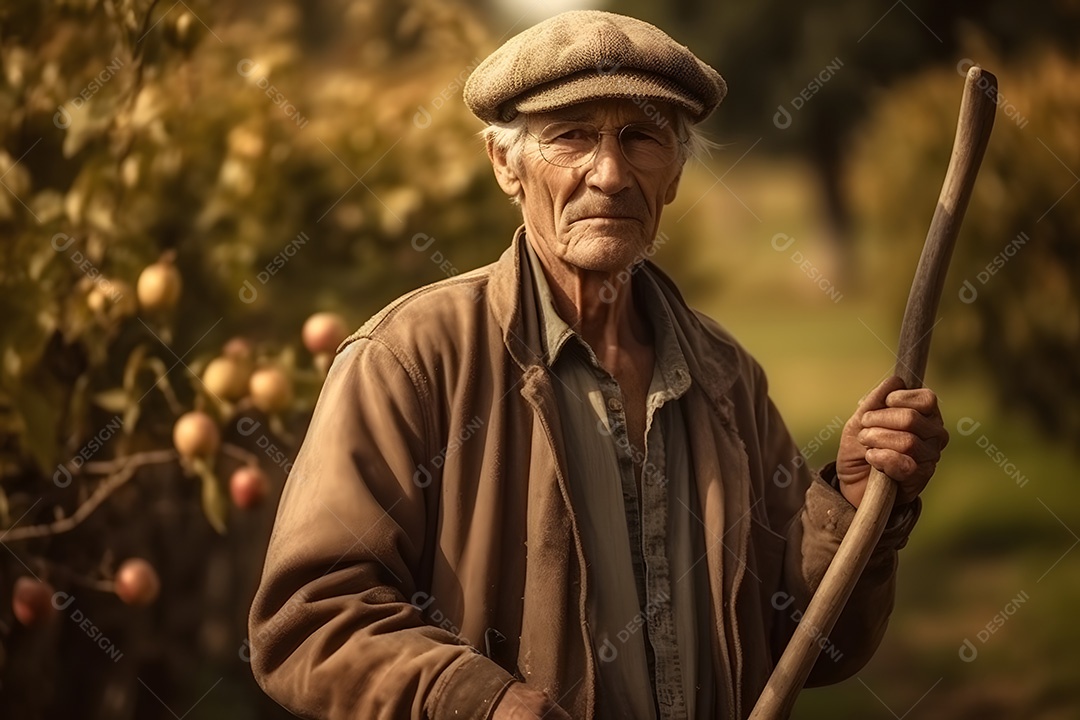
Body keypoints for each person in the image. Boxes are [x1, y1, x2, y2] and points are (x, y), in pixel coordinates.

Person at [248, 10, 949, 720]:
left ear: (673, 171)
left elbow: (803, 643)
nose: (609, 174)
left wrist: (856, 508)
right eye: (572, 136)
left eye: (642, 137)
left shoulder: (727, 375)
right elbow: (311, 619)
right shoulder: (411, 360)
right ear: (506, 165)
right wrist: (478, 703)